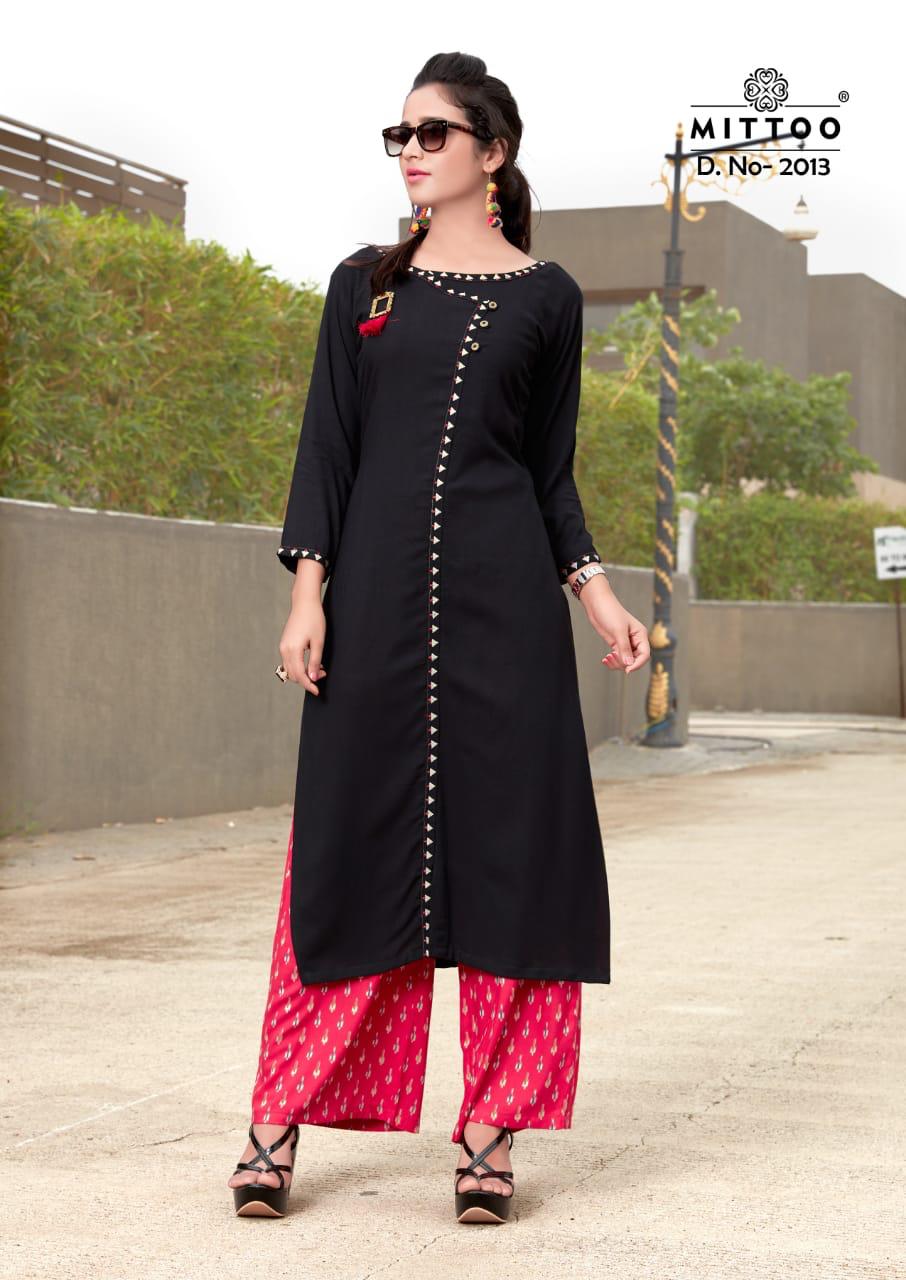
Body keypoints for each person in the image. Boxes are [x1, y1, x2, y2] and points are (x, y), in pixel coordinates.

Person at [228, 50, 650, 1223]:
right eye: (399, 134)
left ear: (492, 153)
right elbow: (327, 449)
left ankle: (491, 1133)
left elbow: (550, 473)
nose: (409, 150)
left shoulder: (548, 297)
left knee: (518, 862)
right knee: (345, 851)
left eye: (433, 133)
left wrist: (596, 594)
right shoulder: (363, 285)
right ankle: (276, 1118)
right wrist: (308, 595)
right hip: (371, 613)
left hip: (506, 616)